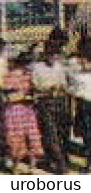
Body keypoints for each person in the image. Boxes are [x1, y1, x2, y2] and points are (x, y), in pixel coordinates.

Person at [35, 38, 73, 173]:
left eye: (55, 54)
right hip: (45, 102)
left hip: (60, 101)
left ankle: (56, 158)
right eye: (50, 54)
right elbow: (35, 87)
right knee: (50, 134)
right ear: (45, 54)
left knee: (62, 132)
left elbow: (64, 83)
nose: (53, 57)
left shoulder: (59, 67)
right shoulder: (38, 68)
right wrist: (47, 89)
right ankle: (60, 163)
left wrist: (61, 88)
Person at [6, 50, 45, 174]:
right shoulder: (11, 77)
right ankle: (15, 167)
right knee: (17, 139)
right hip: (15, 111)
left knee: (33, 138)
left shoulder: (28, 77)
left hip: (28, 110)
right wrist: (24, 96)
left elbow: (34, 92)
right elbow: (8, 97)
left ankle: (31, 168)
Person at [69, 41, 91, 174]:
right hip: (83, 104)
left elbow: (74, 90)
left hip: (84, 104)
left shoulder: (78, 68)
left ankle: (88, 164)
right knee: (85, 134)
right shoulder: (78, 67)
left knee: (87, 135)